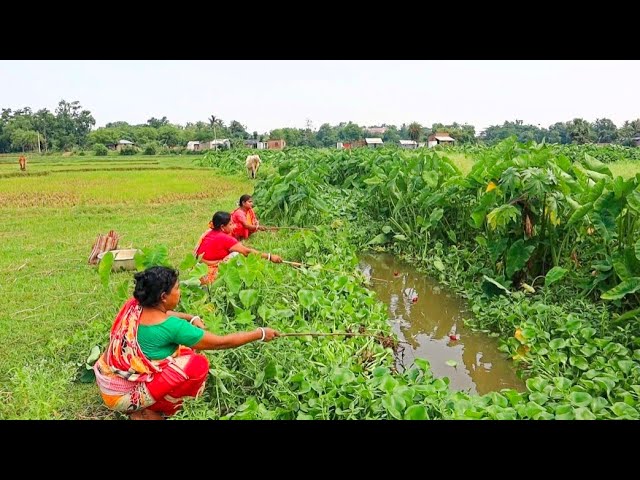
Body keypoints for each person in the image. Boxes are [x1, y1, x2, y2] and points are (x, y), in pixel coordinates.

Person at [93, 266, 279, 420]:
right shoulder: (173, 327)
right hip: (124, 397)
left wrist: (192, 317)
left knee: (184, 352)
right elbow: (220, 343)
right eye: (177, 288)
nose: (180, 293)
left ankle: (144, 405)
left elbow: (163, 314)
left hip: (109, 383)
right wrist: (260, 333)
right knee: (197, 364)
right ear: (164, 296)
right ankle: (153, 410)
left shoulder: (133, 306)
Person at [195, 211, 283, 284]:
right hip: (209, 276)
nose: (233, 226)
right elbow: (246, 252)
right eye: (230, 224)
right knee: (236, 255)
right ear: (222, 227)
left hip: (198, 272)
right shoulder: (225, 238)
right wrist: (270, 257)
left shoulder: (209, 233)